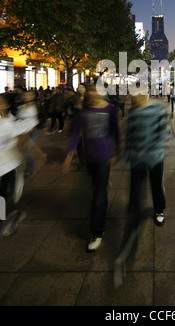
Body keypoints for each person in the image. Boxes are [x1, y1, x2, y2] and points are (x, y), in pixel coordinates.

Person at [113, 92, 170, 288]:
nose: (132, 97)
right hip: (137, 158)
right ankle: (134, 212)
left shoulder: (158, 108)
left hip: (154, 156)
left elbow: (164, 132)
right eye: (131, 95)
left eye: (135, 93)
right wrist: (126, 155)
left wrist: (152, 149)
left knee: (156, 184)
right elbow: (129, 135)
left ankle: (159, 209)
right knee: (135, 189)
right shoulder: (134, 112)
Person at [63, 84, 120, 253]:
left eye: (98, 92)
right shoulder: (83, 112)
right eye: (92, 92)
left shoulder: (110, 109)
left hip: (104, 157)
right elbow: (75, 133)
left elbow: (116, 131)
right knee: (96, 187)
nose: (95, 95)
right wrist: (69, 153)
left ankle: (97, 231)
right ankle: (102, 192)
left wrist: (119, 151)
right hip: (89, 158)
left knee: (99, 195)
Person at [0, 96, 34, 237]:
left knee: (10, 191)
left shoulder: (10, 120)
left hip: (11, 163)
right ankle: (6, 219)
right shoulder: (8, 122)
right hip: (5, 163)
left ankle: (7, 218)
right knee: (5, 192)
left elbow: (23, 133)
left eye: (2, 102)